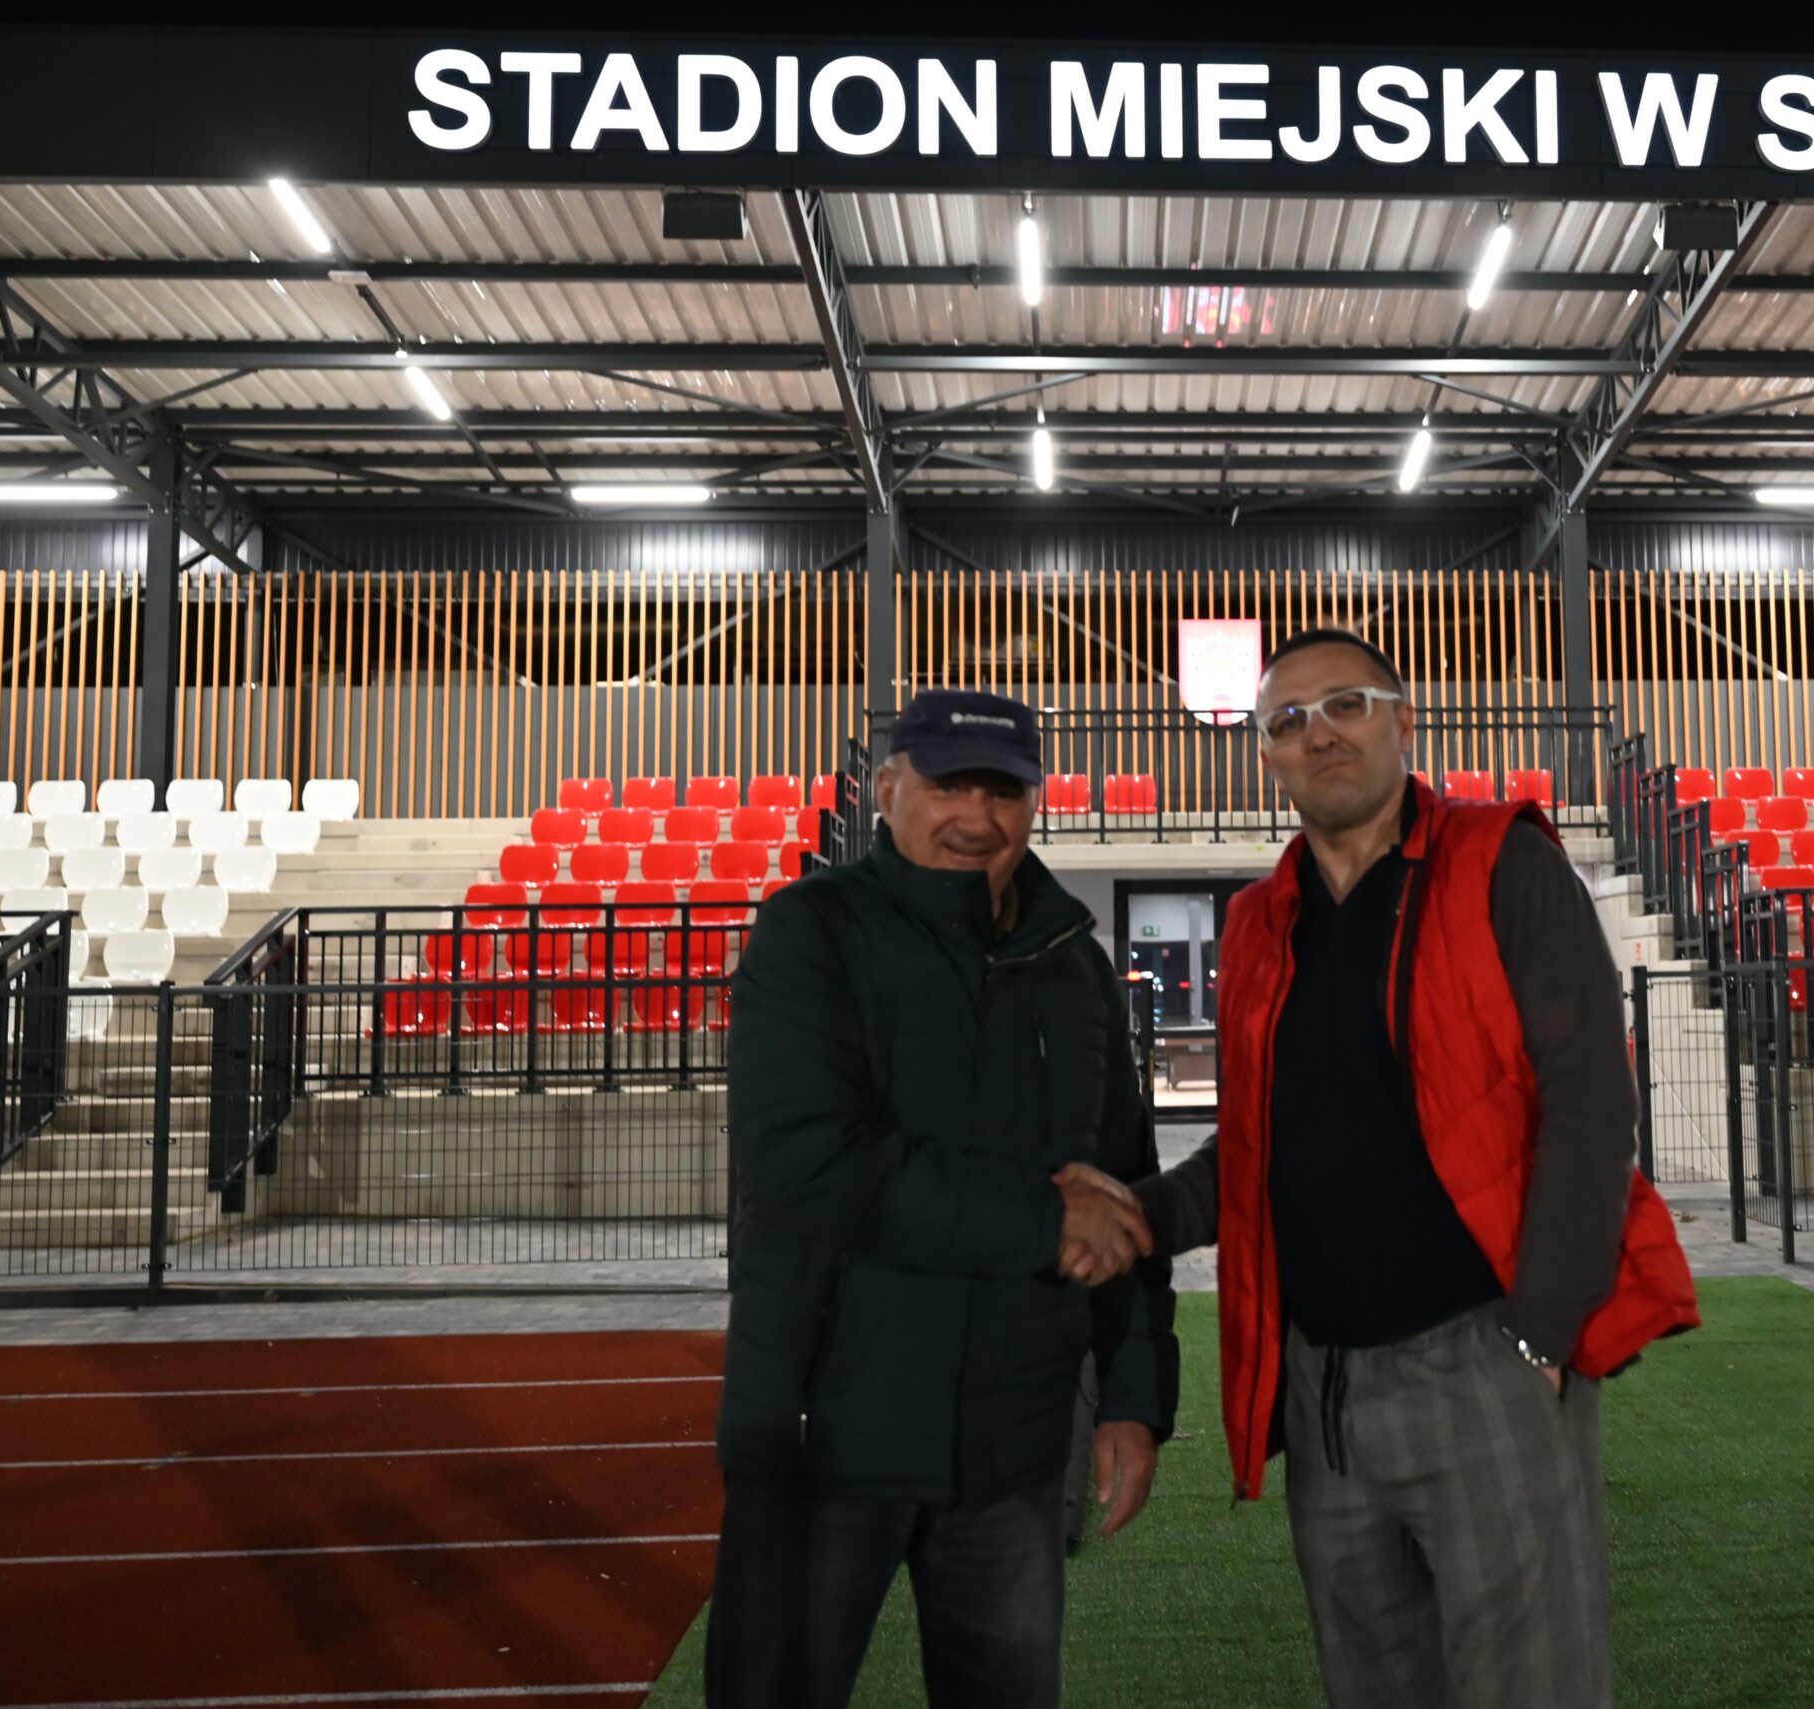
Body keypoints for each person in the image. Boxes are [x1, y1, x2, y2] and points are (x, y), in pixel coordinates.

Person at [1135, 628, 1698, 1709]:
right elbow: (1255, 1143)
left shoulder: (1504, 862)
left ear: (1403, 719)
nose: (1319, 733)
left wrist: (1539, 1334)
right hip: (1324, 1390)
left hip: (1481, 1357)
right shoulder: (1258, 922)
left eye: (1344, 703)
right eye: (1287, 720)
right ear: (1266, 755)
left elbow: (1590, 1102)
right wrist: (1141, 1213)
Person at [708, 688, 1177, 1709]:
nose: (975, 814)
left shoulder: (1074, 966)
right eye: (946, 785)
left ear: (1036, 803)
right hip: (824, 1444)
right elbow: (807, 1166)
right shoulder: (810, 931)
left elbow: (1123, 1196)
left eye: (1001, 790)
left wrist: (1135, 1400)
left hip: (1011, 1452)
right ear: (886, 790)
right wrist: (1045, 1219)